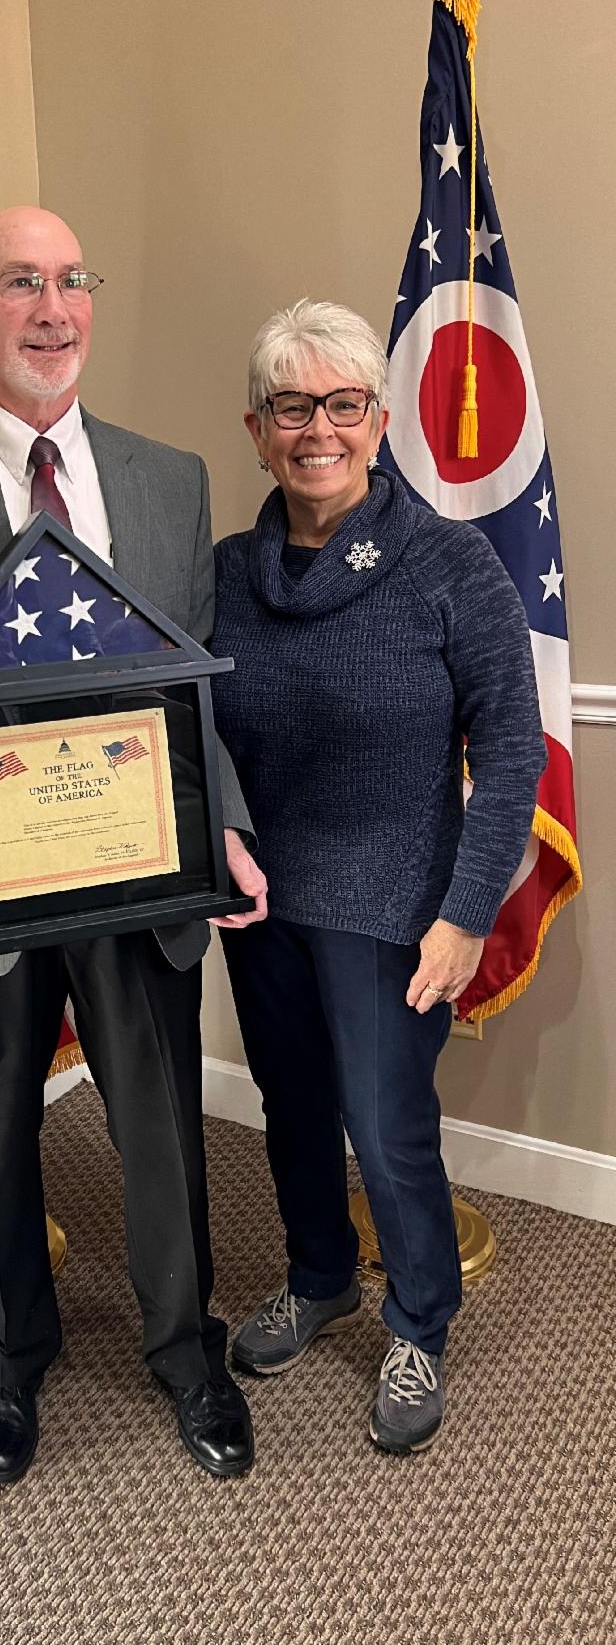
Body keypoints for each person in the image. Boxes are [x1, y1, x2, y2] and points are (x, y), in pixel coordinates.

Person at [0, 205, 268, 1488]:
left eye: (73, 278)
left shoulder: (168, 478)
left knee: (159, 1122)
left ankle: (187, 1350)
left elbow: (192, 698)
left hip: (140, 875)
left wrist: (227, 828)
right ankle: (7, 1355)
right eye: (18, 281)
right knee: (3, 1121)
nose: (52, 307)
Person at [211, 298, 545, 1454]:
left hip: (395, 911)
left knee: (391, 1128)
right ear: (258, 429)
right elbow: (190, 733)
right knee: (290, 1108)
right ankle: (319, 1277)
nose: (319, 429)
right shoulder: (223, 574)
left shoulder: (453, 566)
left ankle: (419, 1316)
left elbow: (510, 756)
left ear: (380, 416)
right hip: (261, 908)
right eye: (293, 406)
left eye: (342, 404)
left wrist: (464, 917)